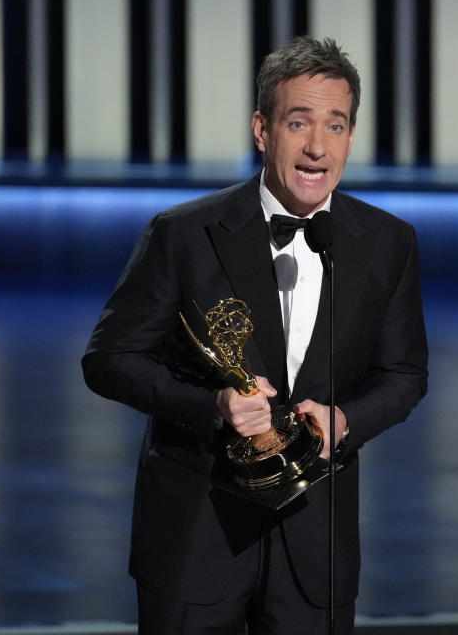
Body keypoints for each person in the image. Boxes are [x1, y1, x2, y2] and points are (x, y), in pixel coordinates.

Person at [82, 36, 428, 634]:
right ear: (263, 130)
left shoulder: (387, 242)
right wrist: (210, 405)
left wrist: (344, 421)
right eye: (299, 123)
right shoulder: (184, 234)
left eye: (336, 125)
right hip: (196, 536)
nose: (318, 147)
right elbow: (109, 358)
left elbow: (404, 374)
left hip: (315, 548)